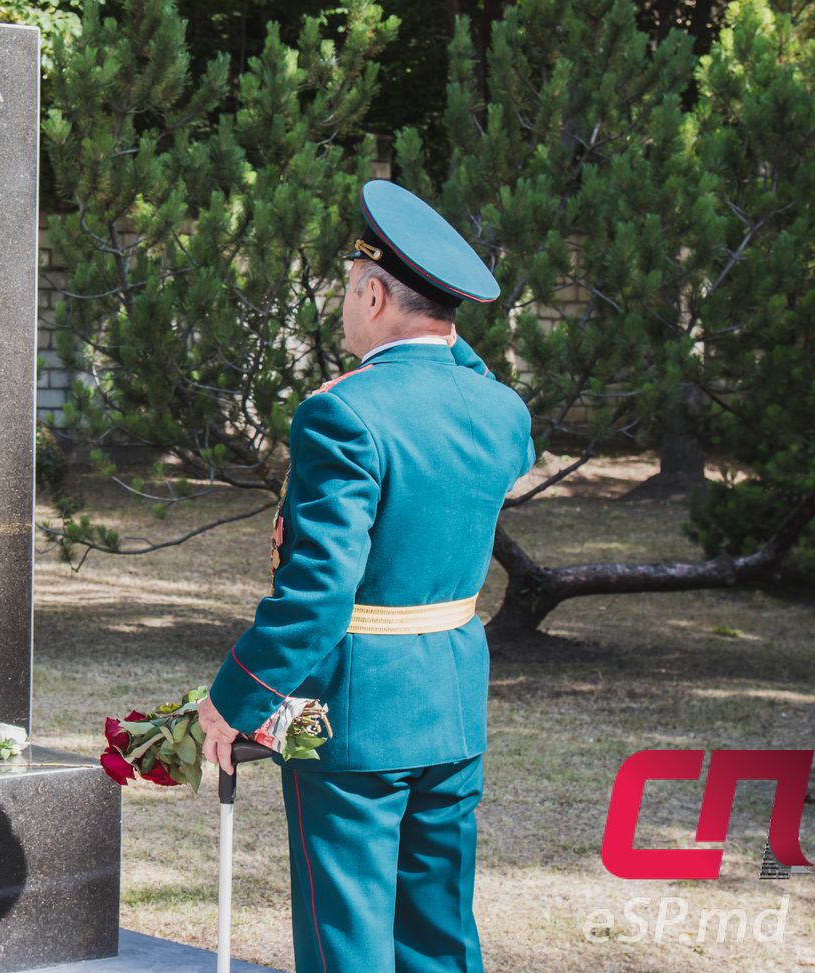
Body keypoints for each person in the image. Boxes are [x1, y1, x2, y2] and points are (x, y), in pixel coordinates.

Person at [197, 179, 535, 973]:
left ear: (376, 294)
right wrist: (447, 330)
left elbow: (317, 595)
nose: (343, 308)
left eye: (351, 291)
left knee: (346, 937)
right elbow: (463, 374)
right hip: (452, 695)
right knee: (438, 931)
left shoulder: (343, 413)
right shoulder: (499, 411)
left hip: (356, 712)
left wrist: (233, 700)